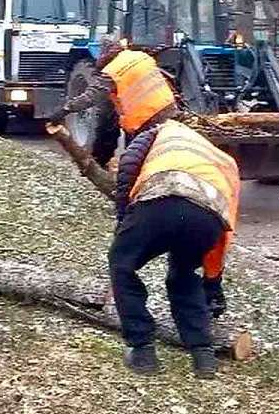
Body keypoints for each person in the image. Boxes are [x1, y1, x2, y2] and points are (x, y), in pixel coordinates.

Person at [112, 118, 240, 378]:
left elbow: (127, 164)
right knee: (183, 275)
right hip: (207, 215)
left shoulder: (162, 131)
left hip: (161, 197)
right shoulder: (223, 160)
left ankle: (142, 350)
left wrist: (123, 217)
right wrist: (213, 282)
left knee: (122, 262)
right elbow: (226, 229)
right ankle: (204, 357)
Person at [48, 40, 180, 142]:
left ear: (105, 54)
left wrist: (65, 110)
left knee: (139, 158)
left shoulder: (112, 72)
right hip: (169, 108)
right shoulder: (140, 56)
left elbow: (91, 97)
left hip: (145, 119)